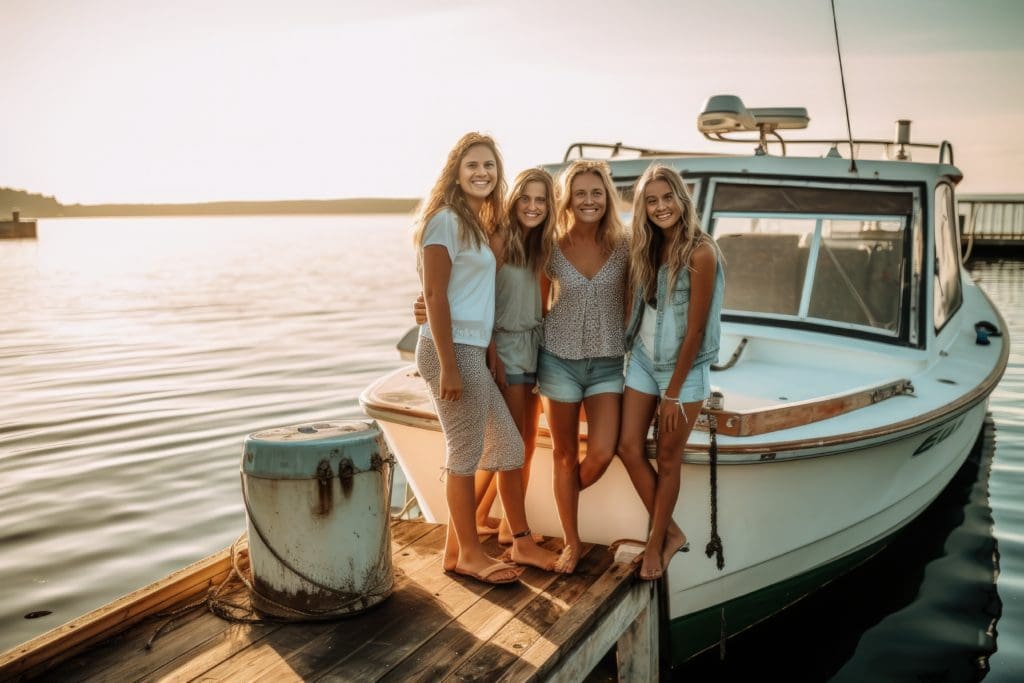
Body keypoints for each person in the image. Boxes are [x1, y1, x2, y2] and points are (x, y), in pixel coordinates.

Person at [414, 133, 557, 584]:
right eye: (473, 165)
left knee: (509, 447)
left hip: (473, 348)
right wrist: (450, 365)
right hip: (450, 350)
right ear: (456, 171)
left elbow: (474, 295)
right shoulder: (443, 220)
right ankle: (469, 556)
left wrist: (487, 351)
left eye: (490, 166)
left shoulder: (473, 224)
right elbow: (434, 294)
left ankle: (457, 553)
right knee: (464, 452)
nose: (482, 173)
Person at [616, 163, 724, 580]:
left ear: (682, 199)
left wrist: (673, 392)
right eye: (651, 200)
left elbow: (695, 329)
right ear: (642, 207)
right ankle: (673, 533)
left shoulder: (701, 251)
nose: (661, 207)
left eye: (667, 197)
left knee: (667, 457)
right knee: (628, 446)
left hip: (684, 371)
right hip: (642, 357)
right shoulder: (643, 247)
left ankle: (655, 545)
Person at [538, 159, 629, 573]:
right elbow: (534, 305)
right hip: (557, 360)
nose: (589, 200)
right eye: (580, 193)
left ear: (606, 197)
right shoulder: (551, 246)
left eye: (596, 192)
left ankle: (559, 500)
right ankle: (570, 543)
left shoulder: (625, 245)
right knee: (563, 454)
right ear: (568, 200)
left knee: (603, 451)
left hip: (609, 364)